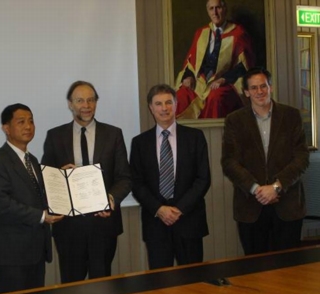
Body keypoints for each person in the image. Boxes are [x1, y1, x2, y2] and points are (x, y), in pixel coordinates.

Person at [41, 81, 131, 283]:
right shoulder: (55, 136)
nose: (86, 105)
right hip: (69, 228)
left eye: (91, 100)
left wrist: (111, 198)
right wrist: (58, 175)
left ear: (96, 103)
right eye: (80, 100)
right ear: (70, 104)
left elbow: (124, 177)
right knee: (71, 288)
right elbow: (46, 179)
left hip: (104, 224)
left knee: (102, 288)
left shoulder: (113, 134)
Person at [221, 67, 310, 255]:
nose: (259, 91)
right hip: (251, 206)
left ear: (271, 87)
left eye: (263, 86)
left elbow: (301, 158)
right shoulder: (234, 120)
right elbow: (229, 162)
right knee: (255, 271)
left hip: (287, 205)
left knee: (288, 271)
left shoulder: (291, 116)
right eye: (254, 88)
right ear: (246, 92)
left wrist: (276, 187)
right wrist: (256, 189)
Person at [0, 103, 63, 293]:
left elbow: (40, 195)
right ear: (6, 128)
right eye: (21, 122)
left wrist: (62, 179)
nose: (28, 126)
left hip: (35, 252)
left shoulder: (33, 161)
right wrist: (42, 216)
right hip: (11, 255)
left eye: (31, 121)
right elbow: (2, 204)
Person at [130, 84, 211, 269]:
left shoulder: (195, 137)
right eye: (158, 104)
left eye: (168, 102)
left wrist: (179, 209)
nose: (164, 108)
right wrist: (159, 209)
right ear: (151, 108)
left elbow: (203, 179)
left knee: (193, 282)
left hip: (189, 221)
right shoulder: (139, 143)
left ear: (176, 104)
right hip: (156, 224)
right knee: (159, 284)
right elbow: (137, 183)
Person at [175, 0, 255, 119]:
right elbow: (191, 61)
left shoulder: (238, 33)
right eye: (211, 9)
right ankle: (184, 136)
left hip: (227, 82)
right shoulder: (201, 33)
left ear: (225, 9)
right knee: (181, 95)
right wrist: (188, 76)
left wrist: (223, 79)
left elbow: (245, 66)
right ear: (208, 11)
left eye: (218, 8)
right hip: (201, 83)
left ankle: (212, 135)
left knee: (216, 97)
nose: (215, 12)